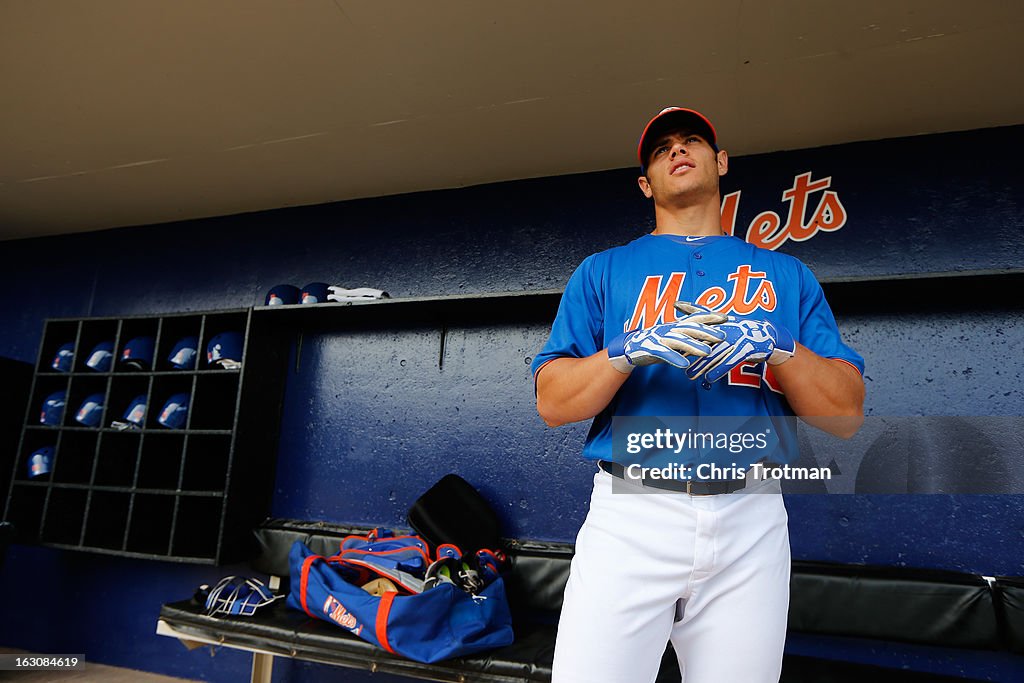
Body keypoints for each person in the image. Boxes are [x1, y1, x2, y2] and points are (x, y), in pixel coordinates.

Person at [530, 107, 865, 683]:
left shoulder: (785, 276)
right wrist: (623, 352)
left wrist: (780, 345)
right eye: (661, 150)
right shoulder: (602, 272)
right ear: (646, 183)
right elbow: (552, 403)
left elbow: (846, 415)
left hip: (750, 515)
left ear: (721, 161)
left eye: (691, 141)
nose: (677, 151)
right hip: (632, 511)